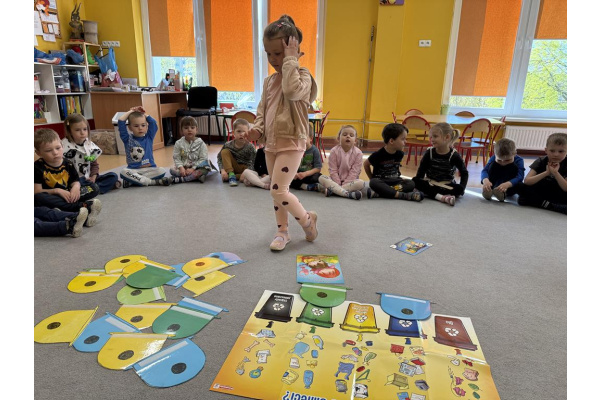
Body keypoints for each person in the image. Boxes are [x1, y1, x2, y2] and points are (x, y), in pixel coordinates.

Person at [246, 15, 319, 251]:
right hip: (271, 143)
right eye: (269, 54)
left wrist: (290, 61)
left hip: (292, 141)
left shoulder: (303, 76)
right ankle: (282, 232)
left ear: (294, 52)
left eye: (278, 53)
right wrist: (257, 129)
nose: (273, 59)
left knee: (279, 190)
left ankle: (307, 221)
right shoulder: (269, 81)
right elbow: (262, 110)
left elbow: (291, 90)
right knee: (276, 192)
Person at [34, 128, 102, 226]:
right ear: (39, 153)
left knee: (94, 187)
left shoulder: (68, 163)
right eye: (49, 150)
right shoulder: (37, 167)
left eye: (58, 148)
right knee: (38, 198)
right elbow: (37, 191)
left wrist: (76, 187)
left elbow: (75, 180)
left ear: (62, 146)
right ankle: (82, 206)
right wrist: (57, 191)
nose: (55, 152)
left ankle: (63, 208)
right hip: (52, 196)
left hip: (69, 194)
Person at [62, 113, 121, 194]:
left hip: (89, 179)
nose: (82, 133)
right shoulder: (64, 147)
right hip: (75, 182)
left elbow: (94, 164)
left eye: (85, 129)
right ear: (69, 131)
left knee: (113, 176)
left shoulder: (89, 145)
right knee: (75, 185)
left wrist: (93, 177)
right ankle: (95, 188)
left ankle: (92, 189)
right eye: (77, 130)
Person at [412, 122, 469, 206]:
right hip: (430, 183)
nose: (432, 139)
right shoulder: (429, 153)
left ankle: (435, 195)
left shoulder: (454, 155)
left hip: (446, 186)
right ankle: (442, 197)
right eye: (431, 137)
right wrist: (418, 183)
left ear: (447, 137)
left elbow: (464, 172)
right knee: (415, 181)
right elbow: (421, 171)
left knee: (459, 189)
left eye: (435, 136)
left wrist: (462, 188)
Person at [364, 123, 423, 201]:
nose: (405, 141)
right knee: (373, 182)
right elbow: (366, 164)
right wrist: (371, 178)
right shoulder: (378, 155)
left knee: (411, 183)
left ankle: (382, 192)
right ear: (391, 141)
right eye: (403, 139)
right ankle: (403, 195)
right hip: (382, 181)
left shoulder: (400, 154)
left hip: (395, 181)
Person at [118, 106, 172, 187]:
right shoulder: (127, 139)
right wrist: (131, 111)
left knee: (162, 170)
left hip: (149, 169)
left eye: (143, 125)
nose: (140, 128)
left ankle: (133, 181)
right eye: (136, 126)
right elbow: (121, 121)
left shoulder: (149, 137)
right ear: (130, 127)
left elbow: (153, 123)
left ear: (147, 126)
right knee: (123, 172)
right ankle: (152, 182)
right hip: (134, 170)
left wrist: (143, 114)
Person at [516, 133, 567, 214]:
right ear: (546, 150)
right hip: (541, 191)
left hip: (558, 193)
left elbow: (566, 188)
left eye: (561, 151)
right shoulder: (541, 160)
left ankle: (543, 204)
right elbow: (527, 181)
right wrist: (546, 173)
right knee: (519, 186)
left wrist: (556, 173)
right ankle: (547, 204)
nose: (556, 154)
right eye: (552, 151)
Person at [317, 125, 365, 200]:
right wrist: (337, 182)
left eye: (351, 135)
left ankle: (334, 191)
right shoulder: (334, 151)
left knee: (361, 183)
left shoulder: (358, 153)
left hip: (351, 182)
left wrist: (344, 184)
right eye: (345, 134)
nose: (348, 136)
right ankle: (347, 194)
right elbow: (333, 170)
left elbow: (355, 172)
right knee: (321, 178)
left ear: (355, 140)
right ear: (338, 138)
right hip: (335, 180)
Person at [170, 116, 211, 183]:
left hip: (197, 167)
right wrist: (181, 168)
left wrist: (192, 169)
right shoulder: (178, 143)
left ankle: (183, 179)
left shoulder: (201, 143)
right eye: (186, 128)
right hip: (184, 167)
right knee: (172, 170)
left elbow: (203, 158)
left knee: (205, 169)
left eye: (192, 127)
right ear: (181, 130)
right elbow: (176, 157)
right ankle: (195, 177)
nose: (189, 130)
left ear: (196, 129)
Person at [218, 118, 257, 186]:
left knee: (251, 174)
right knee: (224, 152)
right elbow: (219, 158)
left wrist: (245, 173)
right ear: (233, 133)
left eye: (244, 132)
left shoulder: (250, 147)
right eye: (238, 131)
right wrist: (222, 170)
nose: (241, 134)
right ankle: (231, 174)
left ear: (248, 133)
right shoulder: (228, 145)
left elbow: (254, 162)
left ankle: (233, 176)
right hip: (232, 168)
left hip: (245, 169)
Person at [290, 126, 322, 191]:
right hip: (299, 175)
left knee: (318, 177)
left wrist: (306, 174)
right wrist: (295, 173)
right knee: (289, 178)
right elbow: (292, 164)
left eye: (304, 137)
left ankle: (304, 186)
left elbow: (318, 168)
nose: (301, 140)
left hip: (309, 174)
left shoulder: (315, 150)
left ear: (311, 138)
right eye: (299, 138)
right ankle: (306, 186)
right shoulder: (296, 150)